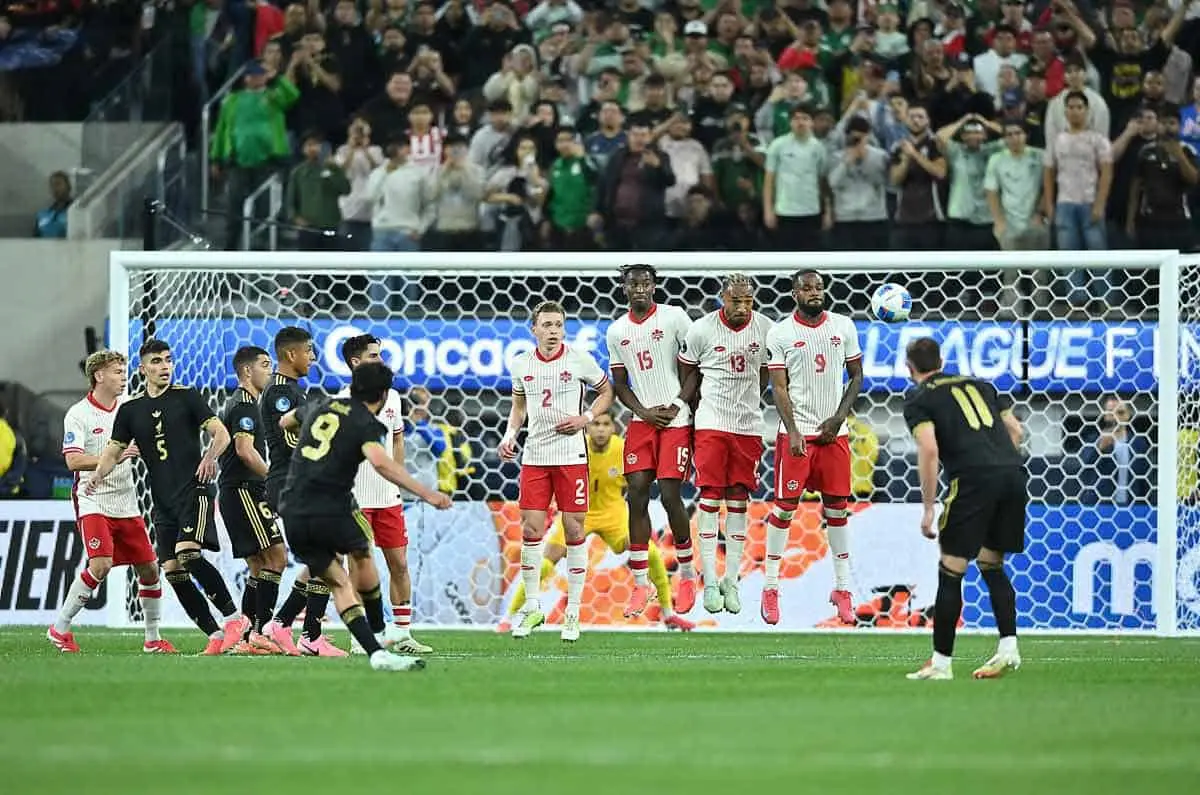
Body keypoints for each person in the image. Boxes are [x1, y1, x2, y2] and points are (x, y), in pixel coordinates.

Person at [279, 362, 451, 673]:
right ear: (384, 395)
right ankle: (379, 630)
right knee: (362, 556)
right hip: (330, 507)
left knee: (339, 581)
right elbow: (381, 464)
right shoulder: (365, 424)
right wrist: (428, 494)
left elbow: (285, 421)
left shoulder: (321, 406)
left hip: (292, 510)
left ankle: (375, 651)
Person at [87, 340, 241, 656]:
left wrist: (211, 456)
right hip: (163, 504)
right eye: (156, 361)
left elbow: (221, 433)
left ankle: (235, 620)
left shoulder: (187, 397)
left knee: (188, 554)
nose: (164, 366)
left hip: (194, 491)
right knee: (172, 570)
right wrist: (96, 477)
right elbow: (113, 451)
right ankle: (214, 635)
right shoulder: (130, 410)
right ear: (143, 369)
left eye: (168, 360)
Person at [901, 337, 1025, 681]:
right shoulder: (982, 385)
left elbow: (928, 450)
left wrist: (928, 508)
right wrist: (1000, 461)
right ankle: (1008, 649)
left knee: (951, 569)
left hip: (973, 480)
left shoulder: (919, 398)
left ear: (909, 368)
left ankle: (941, 664)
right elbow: (1015, 429)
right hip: (1013, 474)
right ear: (941, 361)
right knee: (991, 563)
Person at [501, 412, 694, 632]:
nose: (600, 429)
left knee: (650, 552)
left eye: (605, 424)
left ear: (613, 428)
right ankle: (508, 618)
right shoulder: (574, 449)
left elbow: (638, 486)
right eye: (595, 424)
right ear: (587, 428)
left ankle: (668, 615)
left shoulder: (623, 449)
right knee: (544, 563)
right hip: (578, 512)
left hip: (613, 514)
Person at [499, 301, 614, 642]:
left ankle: (573, 613)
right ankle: (533, 606)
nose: (553, 331)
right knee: (532, 528)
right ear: (533, 329)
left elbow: (606, 391)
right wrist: (509, 436)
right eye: (546, 325)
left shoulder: (579, 359)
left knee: (573, 528)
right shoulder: (521, 364)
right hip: (535, 456)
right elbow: (518, 407)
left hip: (571, 455)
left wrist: (586, 419)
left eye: (558, 325)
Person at [50, 350, 176, 654]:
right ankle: (60, 628)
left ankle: (152, 639)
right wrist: (114, 456)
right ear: (99, 376)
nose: (123, 377)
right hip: (93, 499)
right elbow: (73, 461)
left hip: (126, 500)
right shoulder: (78, 414)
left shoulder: (130, 408)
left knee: (149, 569)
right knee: (101, 564)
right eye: (117, 372)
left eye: (123, 371)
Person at [763, 271, 864, 627]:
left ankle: (843, 589)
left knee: (837, 510)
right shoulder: (780, 333)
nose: (814, 293)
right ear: (795, 293)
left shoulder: (843, 327)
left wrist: (839, 418)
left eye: (819, 287)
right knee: (785, 509)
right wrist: (792, 431)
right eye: (807, 288)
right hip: (797, 436)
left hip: (833, 434)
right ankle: (771, 587)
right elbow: (778, 386)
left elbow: (856, 376)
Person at [605, 264, 698, 618]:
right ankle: (641, 582)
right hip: (643, 420)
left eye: (646, 283)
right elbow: (620, 383)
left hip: (676, 417)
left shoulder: (675, 318)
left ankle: (687, 574)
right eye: (634, 284)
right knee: (638, 492)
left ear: (655, 286)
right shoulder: (617, 331)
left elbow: (694, 369)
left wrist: (676, 404)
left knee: (672, 493)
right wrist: (642, 412)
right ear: (624, 288)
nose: (640, 288)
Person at [678, 274, 773, 614]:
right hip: (711, 423)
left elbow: (768, 372)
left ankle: (731, 579)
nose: (742, 307)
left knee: (738, 499)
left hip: (748, 426)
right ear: (723, 298)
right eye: (736, 301)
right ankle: (709, 581)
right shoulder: (702, 329)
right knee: (709, 497)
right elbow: (686, 372)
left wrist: (750, 398)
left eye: (748, 301)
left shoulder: (765, 328)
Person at [335, 334, 433, 655]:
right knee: (360, 568)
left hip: (388, 497)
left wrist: (399, 480)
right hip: (356, 500)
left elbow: (398, 440)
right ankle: (359, 635)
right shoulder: (341, 400)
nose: (381, 360)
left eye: (380, 354)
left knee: (399, 564)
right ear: (355, 362)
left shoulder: (392, 397)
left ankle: (403, 634)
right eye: (374, 356)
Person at [257, 326, 338, 657]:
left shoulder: (293, 391)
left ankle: (283, 624)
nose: (314, 357)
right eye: (309, 351)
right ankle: (307, 635)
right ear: (291, 354)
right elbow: (292, 442)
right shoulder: (281, 392)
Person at [216, 346, 289, 655]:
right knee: (277, 558)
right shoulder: (245, 405)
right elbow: (245, 450)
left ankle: (247, 638)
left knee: (259, 566)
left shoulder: (241, 403)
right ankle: (260, 632)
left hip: (236, 491)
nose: (269, 371)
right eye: (264, 364)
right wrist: (274, 476)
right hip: (245, 490)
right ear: (247, 371)